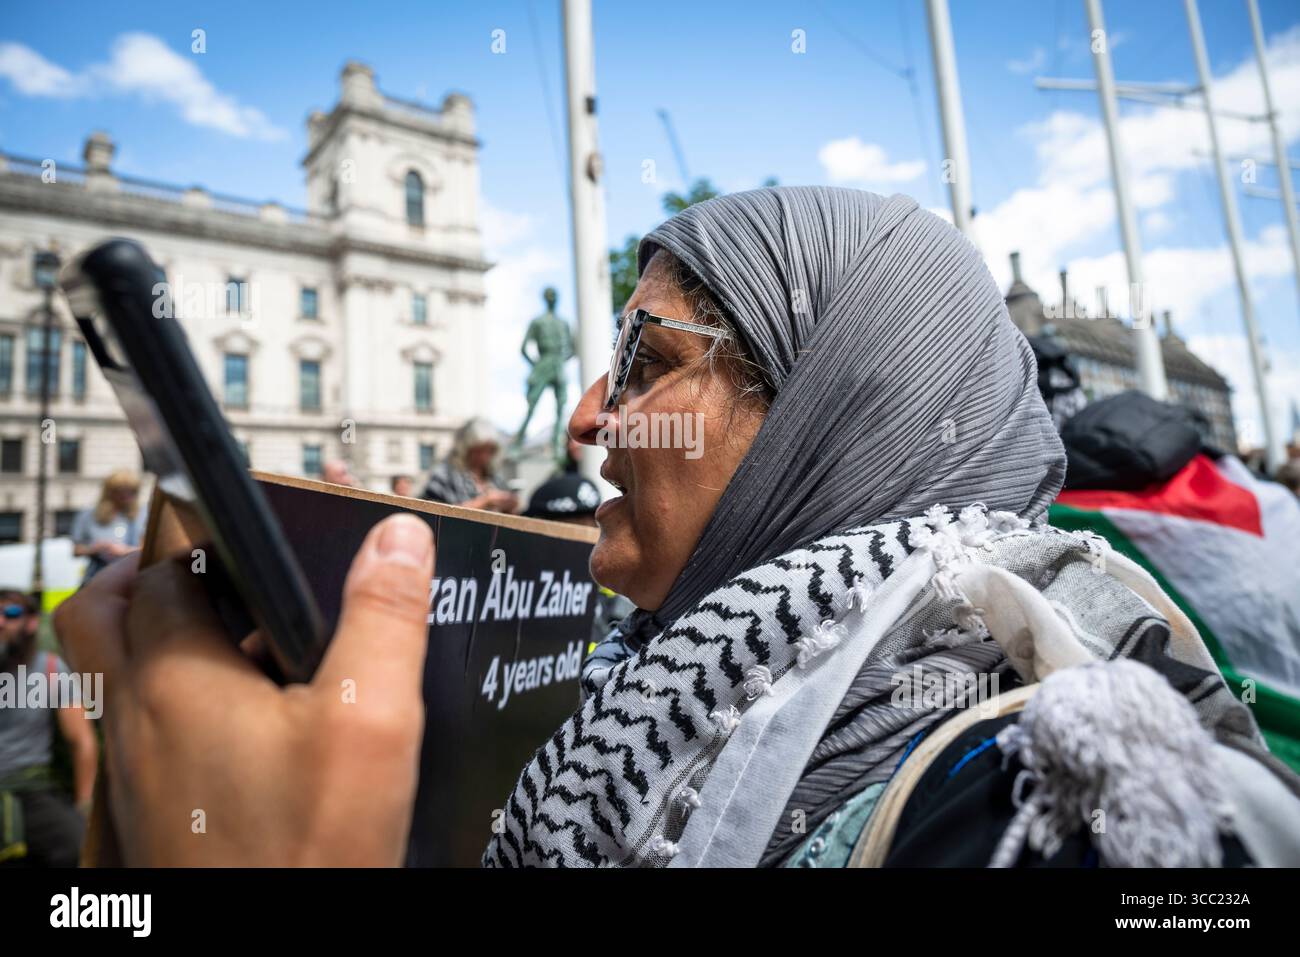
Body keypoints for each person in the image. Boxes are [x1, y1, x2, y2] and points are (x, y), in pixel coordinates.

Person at [53, 187, 1300, 868]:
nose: (590, 413)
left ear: (832, 414)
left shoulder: (1049, 807)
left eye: (648, 363)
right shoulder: (648, 684)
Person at [0, 590, 98, 866]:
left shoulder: (51, 669)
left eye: (12, 614)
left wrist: (84, 804)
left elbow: (82, 741)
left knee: (78, 847)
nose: (1, 622)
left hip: (28, 789)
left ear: (31, 623)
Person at [422, 418, 518, 513]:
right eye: (479, 450)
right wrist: (485, 501)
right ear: (466, 448)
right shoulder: (444, 474)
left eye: (490, 450)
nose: (484, 456)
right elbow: (436, 513)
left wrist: (510, 505)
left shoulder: (495, 478)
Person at [71, 470, 146, 583]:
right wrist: (96, 548)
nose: (126, 496)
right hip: (97, 577)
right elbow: (76, 550)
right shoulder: (88, 515)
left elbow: (148, 550)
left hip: (131, 578)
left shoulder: (142, 515)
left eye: (131, 491)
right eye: (121, 491)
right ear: (110, 492)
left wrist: (124, 550)